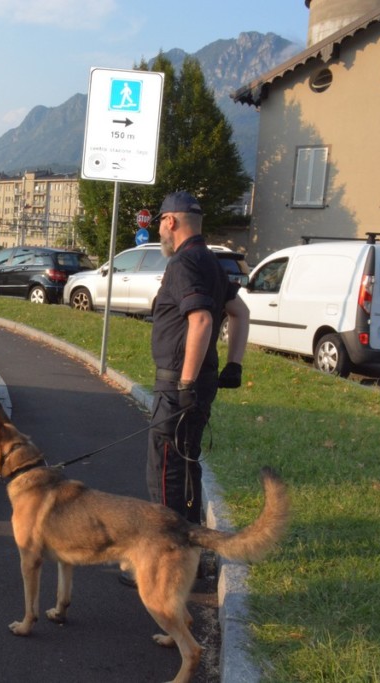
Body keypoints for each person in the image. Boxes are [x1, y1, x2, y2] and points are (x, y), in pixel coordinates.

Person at [146, 191, 249, 526]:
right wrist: (234, 365)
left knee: (166, 469)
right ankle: (190, 547)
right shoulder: (209, 261)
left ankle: (166, 560)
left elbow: (202, 319)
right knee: (186, 460)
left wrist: (185, 383)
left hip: (178, 382)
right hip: (199, 381)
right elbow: (240, 311)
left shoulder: (183, 263)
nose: (160, 230)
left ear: (170, 221)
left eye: (161, 222)